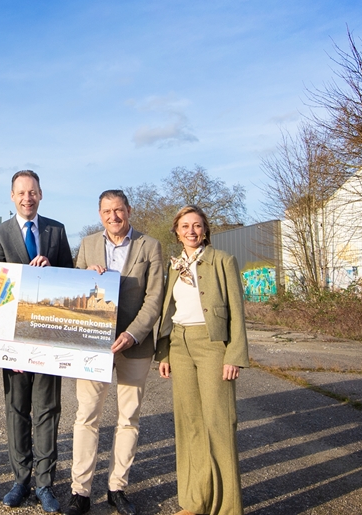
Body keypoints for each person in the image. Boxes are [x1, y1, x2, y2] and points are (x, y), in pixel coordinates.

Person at [66, 190, 166, 515]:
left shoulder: (150, 246)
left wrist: (133, 334)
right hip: (94, 344)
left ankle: (117, 488)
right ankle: (80, 492)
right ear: (100, 214)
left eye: (119, 210)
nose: (114, 216)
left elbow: (154, 298)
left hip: (134, 345)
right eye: (107, 211)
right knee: (86, 417)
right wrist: (85, 277)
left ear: (129, 210)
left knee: (128, 419)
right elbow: (74, 290)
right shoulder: (87, 244)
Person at [0, 170, 74, 512]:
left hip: (49, 337)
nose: (28, 198)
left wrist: (52, 269)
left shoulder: (56, 230)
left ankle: (45, 483)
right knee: (17, 410)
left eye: (33, 192)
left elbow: (70, 278)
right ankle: (21, 479)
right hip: (14, 342)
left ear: (41, 194)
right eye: (22, 192)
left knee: (48, 410)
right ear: (12, 196)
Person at [155, 206, 249, 515]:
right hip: (179, 345)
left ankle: (227, 508)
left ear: (205, 229)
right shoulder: (174, 266)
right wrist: (164, 352)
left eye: (197, 225)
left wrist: (234, 354)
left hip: (212, 346)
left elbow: (237, 312)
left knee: (219, 424)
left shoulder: (223, 261)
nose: (191, 231)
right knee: (190, 424)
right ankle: (195, 502)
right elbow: (167, 312)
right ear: (177, 231)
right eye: (185, 226)